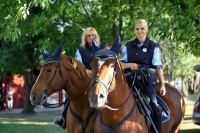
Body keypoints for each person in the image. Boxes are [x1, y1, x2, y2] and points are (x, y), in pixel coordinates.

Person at [120, 19, 166, 133]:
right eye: (137, 29)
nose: (140, 31)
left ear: (146, 29)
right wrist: (129, 65)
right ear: (134, 30)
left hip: (146, 82)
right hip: (129, 80)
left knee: (154, 105)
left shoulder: (153, 46)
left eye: (142, 28)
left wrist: (163, 84)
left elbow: (158, 67)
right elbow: (120, 64)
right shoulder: (128, 45)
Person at [54, 27, 105, 129]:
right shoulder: (80, 49)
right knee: (71, 95)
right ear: (85, 37)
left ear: (96, 36)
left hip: (100, 79)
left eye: (93, 35)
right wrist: (88, 71)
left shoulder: (102, 48)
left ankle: (108, 120)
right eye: (89, 36)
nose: (91, 38)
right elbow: (77, 66)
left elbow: (106, 64)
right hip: (85, 78)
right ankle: (63, 118)